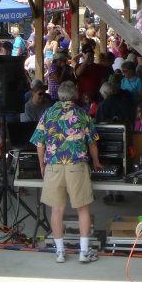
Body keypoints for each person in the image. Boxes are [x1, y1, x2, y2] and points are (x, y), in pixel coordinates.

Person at [31, 81, 103, 264]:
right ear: (76, 95)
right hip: (76, 165)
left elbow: (39, 143)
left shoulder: (48, 113)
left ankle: (60, 252)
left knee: (57, 210)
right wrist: (96, 161)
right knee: (83, 208)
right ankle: (84, 252)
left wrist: (42, 164)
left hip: (54, 165)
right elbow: (92, 141)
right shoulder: (82, 113)